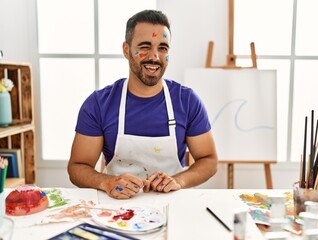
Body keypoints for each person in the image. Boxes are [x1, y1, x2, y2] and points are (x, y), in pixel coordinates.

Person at [67, 9, 218, 199]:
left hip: (174, 206)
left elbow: (209, 160)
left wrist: (179, 181)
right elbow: (77, 167)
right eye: (145, 46)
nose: (155, 56)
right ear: (126, 49)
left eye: (163, 48)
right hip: (116, 208)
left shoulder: (187, 101)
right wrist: (106, 182)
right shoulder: (99, 104)